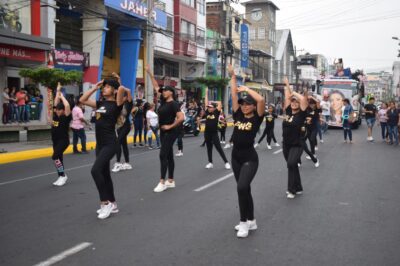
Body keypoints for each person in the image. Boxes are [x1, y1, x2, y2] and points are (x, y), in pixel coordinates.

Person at [80, 78, 127, 219]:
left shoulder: (117, 104)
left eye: (107, 87)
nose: (104, 88)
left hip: (110, 143)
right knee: (105, 174)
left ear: (113, 90)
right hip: (99, 144)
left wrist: (117, 84)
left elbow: (122, 90)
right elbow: (82, 100)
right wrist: (95, 87)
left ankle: (105, 203)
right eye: (104, 87)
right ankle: (113, 204)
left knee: (95, 170)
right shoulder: (100, 103)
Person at [227, 64, 265, 238]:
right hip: (236, 157)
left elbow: (261, 101)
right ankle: (251, 220)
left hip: (250, 157)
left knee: (242, 187)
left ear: (252, 106)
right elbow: (234, 94)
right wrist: (232, 75)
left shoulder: (257, 118)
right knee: (245, 189)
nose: (243, 106)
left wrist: (248, 89)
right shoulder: (238, 115)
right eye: (242, 104)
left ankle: (243, 223)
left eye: (247, 104)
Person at [145, 65, 184, 193]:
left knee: (162, 155)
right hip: (162, 131)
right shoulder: (163, 101)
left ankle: (162, 181)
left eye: (165, 90)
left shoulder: (173, 104)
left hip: (171, 132)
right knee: (169, 156)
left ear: (171, 92)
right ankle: (171, 180)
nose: (162, 91)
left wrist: (170, 126)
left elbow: (181, 117)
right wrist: (150, 73)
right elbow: (156, 86)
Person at [282, 77, 309, 199]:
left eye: (296, 102)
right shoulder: (288, 111)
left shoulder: (302, 114)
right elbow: (287, 97)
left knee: (291, 164)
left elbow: (303, 99)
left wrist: (294, 93)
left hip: (297, 144)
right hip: (286, 144)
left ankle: (291, 189)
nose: (293, 103)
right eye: (292, 102)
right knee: (291, 165)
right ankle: (299, 187)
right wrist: (288, 85)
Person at [203, 88, 231, 170]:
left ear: (214, 108)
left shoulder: (216, 112)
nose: (209, 108)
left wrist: (218, 96)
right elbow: (206, 103)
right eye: (208, 107)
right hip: (207, 133)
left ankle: (226, 162)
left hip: (214, 133)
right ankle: (210, 163)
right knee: (209, 148)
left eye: (210, 107)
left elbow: (220, 104)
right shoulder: (207, 112)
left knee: (218, 148)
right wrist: (206, 93)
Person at [51, 82, 72, 187]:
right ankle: (60, 175)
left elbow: (67, 105)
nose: (57, 111)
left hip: (63, 141)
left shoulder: (66, 117)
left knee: (55, 156)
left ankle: (63, 175)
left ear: (63, 111)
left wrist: (62, 97)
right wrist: (58, 90)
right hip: (55, 141)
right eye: (56, 110)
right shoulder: (55, 116)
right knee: (59, 158)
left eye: (59, 110)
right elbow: (55, 102)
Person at [112, 73, 134, 173]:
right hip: (119, 127)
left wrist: (122, 86)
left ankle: (118, 163)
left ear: (125, 97)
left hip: (126, 126)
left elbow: (127, 90)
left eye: (122, 96)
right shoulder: (118, 104)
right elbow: (118, 89)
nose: (120, 97)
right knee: (124, 144)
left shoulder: (128, 103)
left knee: (118, 142)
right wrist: (118, 78)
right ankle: (127, 163)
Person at [303, 95, 321, 166]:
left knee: (312, 138)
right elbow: (304, 103)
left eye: (313, 104)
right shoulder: (307, 109)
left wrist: (312, 97)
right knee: (310, 141)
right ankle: (313, 153)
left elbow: (318, 102)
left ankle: (313, 153)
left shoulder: (317, 109)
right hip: (307, 128)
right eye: (310, 104)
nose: (312, 105)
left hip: (314, 127)